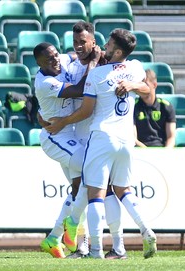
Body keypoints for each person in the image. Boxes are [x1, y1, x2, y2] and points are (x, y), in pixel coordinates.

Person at [46, 28, 158, 259]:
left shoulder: (97, 75)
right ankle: (138, 234)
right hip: (127, 139)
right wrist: (133, 85)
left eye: (108, 44)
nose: (104, 46)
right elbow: (148, 90)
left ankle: (95, 250)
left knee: (96, 194)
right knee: (121, 191)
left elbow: (86, 111)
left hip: (102, 137)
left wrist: (63, 121)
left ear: (117, 51)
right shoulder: (135, 67)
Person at [33, 41, 101, 258]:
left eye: (55, 55)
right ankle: (70, 227)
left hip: (70, 134)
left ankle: (54, 237)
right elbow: (80, 89)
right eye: (49, 59)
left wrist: (89, 51)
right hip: (55, 136)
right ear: (40, 64)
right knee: (90, 172)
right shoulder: (45, 82)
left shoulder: (61, 59)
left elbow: (72, 56)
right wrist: (93, 62)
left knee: (78, 185)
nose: (55, 60)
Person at [134, 69, 176, 148]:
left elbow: (171, 137)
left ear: (154, 85)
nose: (142, 89)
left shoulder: (166, 107)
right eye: (140, 86)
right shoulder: (133, 107)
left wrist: (164, 154)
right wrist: (148, 153)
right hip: (140, 151)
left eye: (146, 85)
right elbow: (133, 139)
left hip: (161, 151)